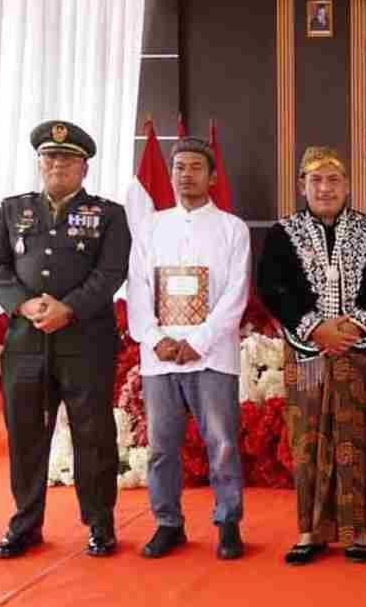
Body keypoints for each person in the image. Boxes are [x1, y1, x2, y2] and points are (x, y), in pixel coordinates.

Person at [0, 120, 131, 559]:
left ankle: (99, 524)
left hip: (86, 341)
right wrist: (23, 304)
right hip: (26, 342)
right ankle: (25, 523)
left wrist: (69, 308)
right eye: (49, 156)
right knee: (25, 436)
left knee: (93, 436)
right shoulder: (12, 210)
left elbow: (111, 272)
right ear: (39, 163)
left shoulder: (108, 214)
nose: (57, 164)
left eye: (66, 158)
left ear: (84, 167)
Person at [257, 146, 366, 565]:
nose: (325, 188)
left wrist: (353, 325)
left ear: (348, 186)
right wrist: (316, 329)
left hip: (359, 353)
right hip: (307, 353)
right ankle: (310, 531)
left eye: (334, 180)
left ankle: (357, 531)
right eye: (316, 180)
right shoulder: (282, 233)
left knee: (358, 437)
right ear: (302, 186)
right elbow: (272, 286)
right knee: (308, 439)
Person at [127, 137, 251, 560]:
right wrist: (155, 338)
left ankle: (227, 523)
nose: (186, 174)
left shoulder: (232, 228)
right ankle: (168, 523)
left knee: (222, 443)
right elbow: (137, 287)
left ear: (212, 177)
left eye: (196, 167)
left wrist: (197, 342)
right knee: (161, 447)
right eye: (179, 167)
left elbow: (236, 294)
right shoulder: (150, 226)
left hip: (212, 355)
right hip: (160, 357)